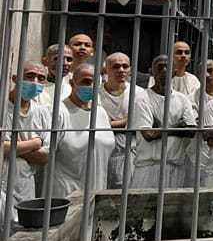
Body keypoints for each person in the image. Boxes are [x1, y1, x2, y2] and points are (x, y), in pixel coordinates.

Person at [130, 55, 196, 189]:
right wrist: (178, 125)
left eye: (168, 67)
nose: (164, 71)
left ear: (174, 72)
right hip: (149, 167)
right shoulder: (142, 98)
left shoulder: (182, 99)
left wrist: (161, 128)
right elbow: (149, 135)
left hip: (175, 165)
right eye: (160, 67)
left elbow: (191, 131)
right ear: (151, 72)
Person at [51, 64, 115, 198]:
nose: (90, 86)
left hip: (97, 189)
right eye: (86, 81)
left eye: (95, 82)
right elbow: (48, 154)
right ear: (71, 83)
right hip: (66, 191)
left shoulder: (101, 113)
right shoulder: (59, 111)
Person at [2, 62, 50, 211]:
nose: (35, 82)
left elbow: (44, 157)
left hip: (25, 185)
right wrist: (35, 143)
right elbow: (3, 148)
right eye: (30, 76)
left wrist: (12, 148)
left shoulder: (42, 112)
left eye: (41, 78)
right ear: (15, 78)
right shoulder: (3, 108)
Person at [98, 53, 142, 189]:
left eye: (125, 66)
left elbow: (140, 121)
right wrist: (125, 121)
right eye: (116, 66)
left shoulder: (139, 93)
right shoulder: (96, 93)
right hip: (101, 150)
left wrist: (109, 124)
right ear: (105, 70)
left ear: (130, 70)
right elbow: (95, 122)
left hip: (130, 151)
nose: (121, 70)